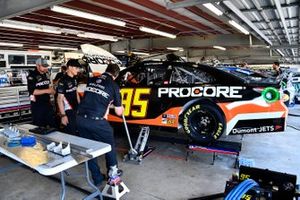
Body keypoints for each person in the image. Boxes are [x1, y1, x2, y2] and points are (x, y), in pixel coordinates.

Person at [77, 63, 124, 187]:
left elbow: (95, 98)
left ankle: (97, 178)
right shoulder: (114, 85)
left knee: (89, 149)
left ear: (106, 71)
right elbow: (119, 112)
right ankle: (112, 175)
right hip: (96, 121)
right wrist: (120, 104)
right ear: (116, 75)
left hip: (80, 119)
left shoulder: (92, 80)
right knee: (109, 146)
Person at [27, 58, 56, 127]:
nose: (46, 68)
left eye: (46, 66)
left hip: (48, 104)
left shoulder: (46, 74)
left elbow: (49, 86)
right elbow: (32, 91)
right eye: (44, 66)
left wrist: (52, 91)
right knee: (39, 127)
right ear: (37, 66)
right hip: (37, 106)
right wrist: (47, 91)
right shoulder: (32, 76)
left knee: (53, 126)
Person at [56, 59, 82, 135]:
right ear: (70, 67)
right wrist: (63, 115)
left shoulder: (74, 78)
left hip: (76, 110)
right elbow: (59, 99)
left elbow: (76, 92)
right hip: (68, 111)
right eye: (76, 68)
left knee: (78, 132)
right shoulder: (62, 81)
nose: (78, 70)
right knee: (71, 134)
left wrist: (80, 106)